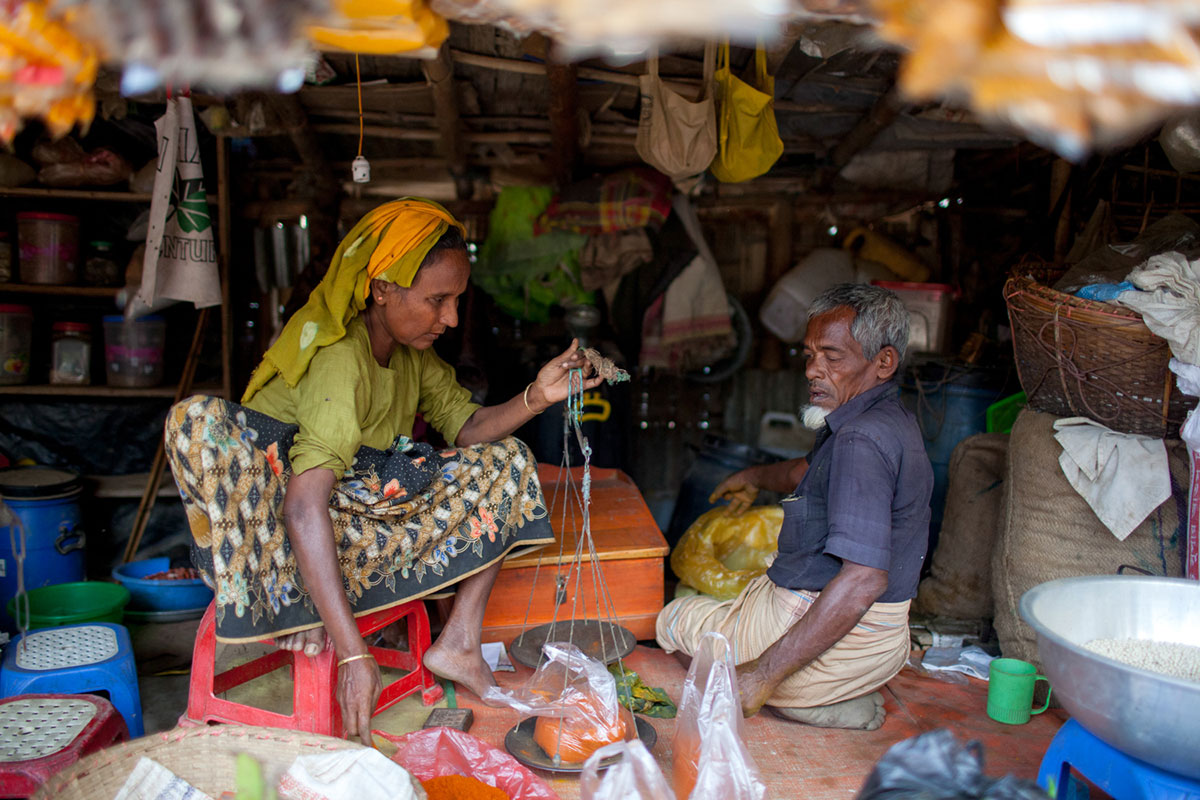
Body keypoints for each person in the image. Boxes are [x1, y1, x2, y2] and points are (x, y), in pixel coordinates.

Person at [165, 198, 601, 744]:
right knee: (466, 467)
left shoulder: (410, 353)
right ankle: (302, 611)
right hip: (292, 546)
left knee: (507, 459)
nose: (451, 319)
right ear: (382, 289)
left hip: (355, 513)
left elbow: (469, 428)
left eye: (456, 300)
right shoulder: (340, 359)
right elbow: (301, 507)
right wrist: (353, 656)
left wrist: (538, 395)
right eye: (437, 301)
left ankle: (460, 642)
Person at [656, 283, 932, 731]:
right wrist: (752, 478)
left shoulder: (860, 439)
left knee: (673, 618)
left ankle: (797, 696)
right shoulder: (884, 420)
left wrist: (760, 677)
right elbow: (804, 471)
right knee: (716, 611)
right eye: (809, 355)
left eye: (832, 357)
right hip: (884, 637)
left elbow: (863, 579)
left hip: (849, 630)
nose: (812, 370)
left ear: (884, 362)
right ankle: (829, 684)